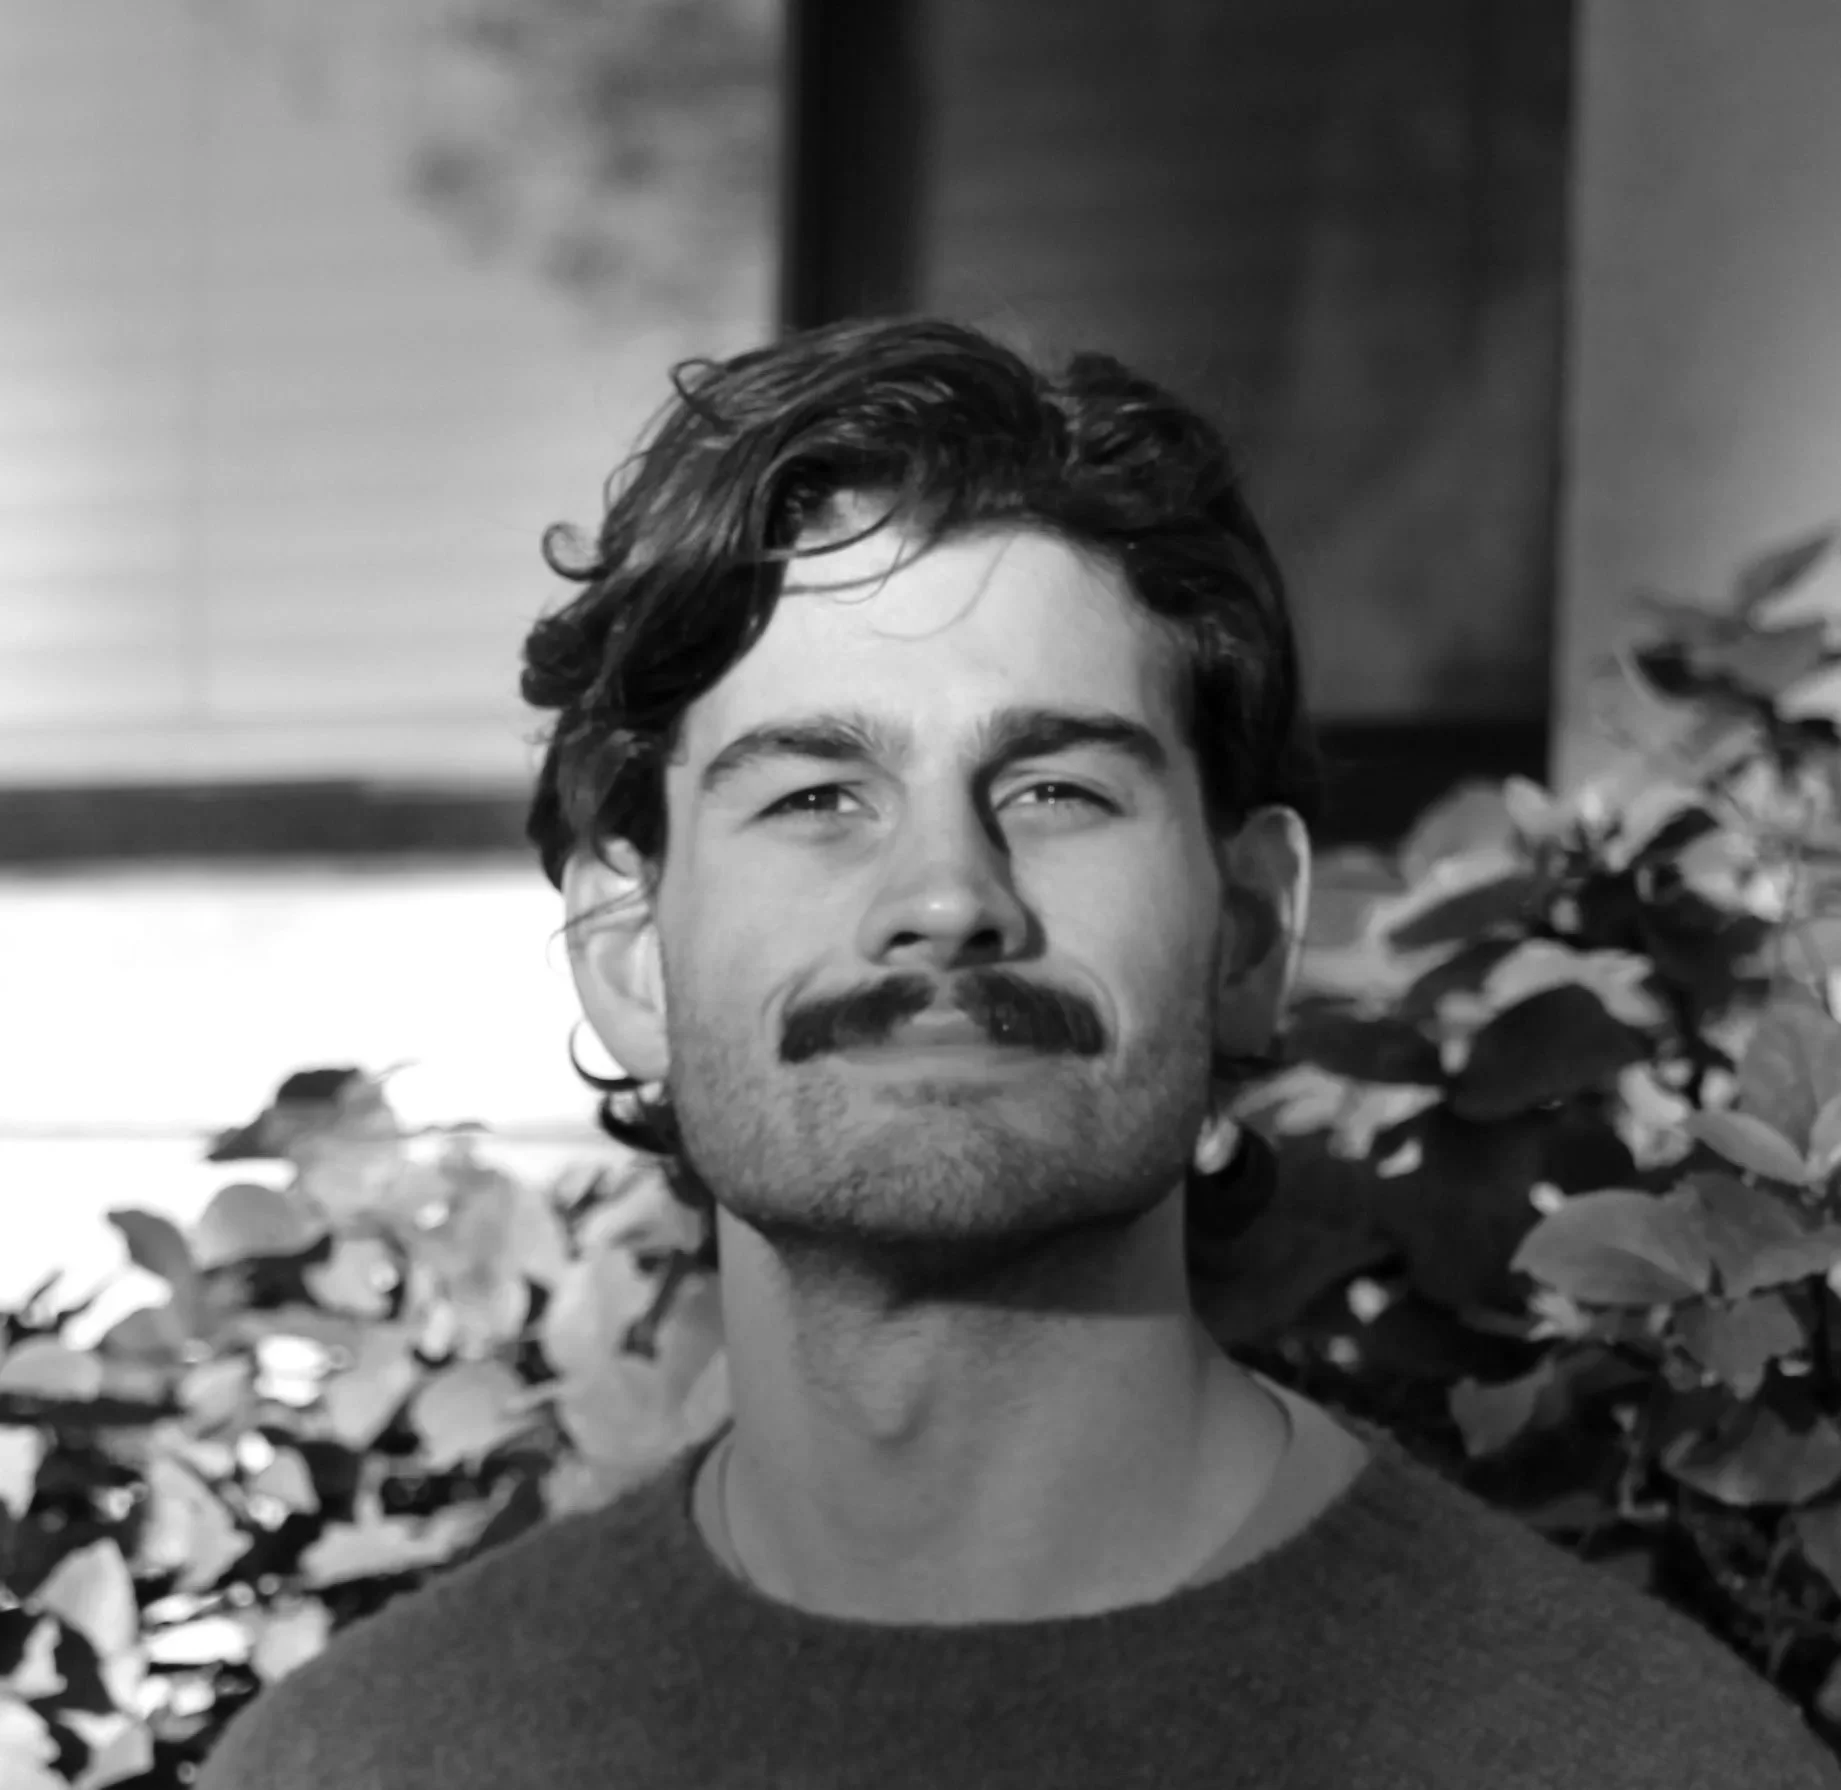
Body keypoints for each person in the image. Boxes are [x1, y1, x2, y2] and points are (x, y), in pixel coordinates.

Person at [197, 316, 1841, 1789]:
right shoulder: (363, 1761)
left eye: (1058, 789)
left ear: (1249, 934)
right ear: (631, 958)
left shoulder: (1633, 1762)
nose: (943, 899)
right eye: (814, 795)